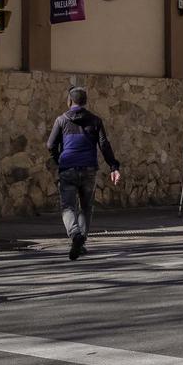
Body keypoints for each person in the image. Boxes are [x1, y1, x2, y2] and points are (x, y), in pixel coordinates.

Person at [46, 87, 122, 260]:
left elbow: (50, 144)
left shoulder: (61, 120)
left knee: (68, 207)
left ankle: (75, 235)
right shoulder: (95, 120)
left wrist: (59, 159)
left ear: (69, 101)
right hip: (89, 169)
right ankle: (81, 243)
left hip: (68, 168)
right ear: (85, 101)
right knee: (86, 207)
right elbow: (104, 144)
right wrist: (113, 166)